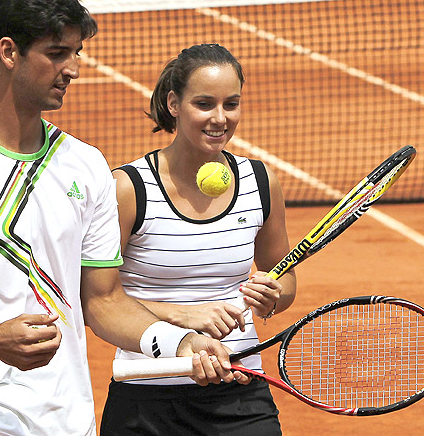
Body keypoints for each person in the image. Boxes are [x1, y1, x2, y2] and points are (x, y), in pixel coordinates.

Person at [0, 0, 236, 436]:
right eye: (57, 53)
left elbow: (103, 300)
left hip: (69, 421)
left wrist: (178, 342)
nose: (74, 69)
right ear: (9, 52)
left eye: (77, 53)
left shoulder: (87, 166)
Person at [100, 43, 297, 435]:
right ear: (174, 103)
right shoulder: (128, 189)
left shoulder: (260, 183)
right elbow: (96, 299)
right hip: (147, 397)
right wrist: (179, 315)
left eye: (231, 104)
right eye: (204, 104)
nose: (220, 119)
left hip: (239, 390)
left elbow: (286, 279)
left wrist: (273, 295)